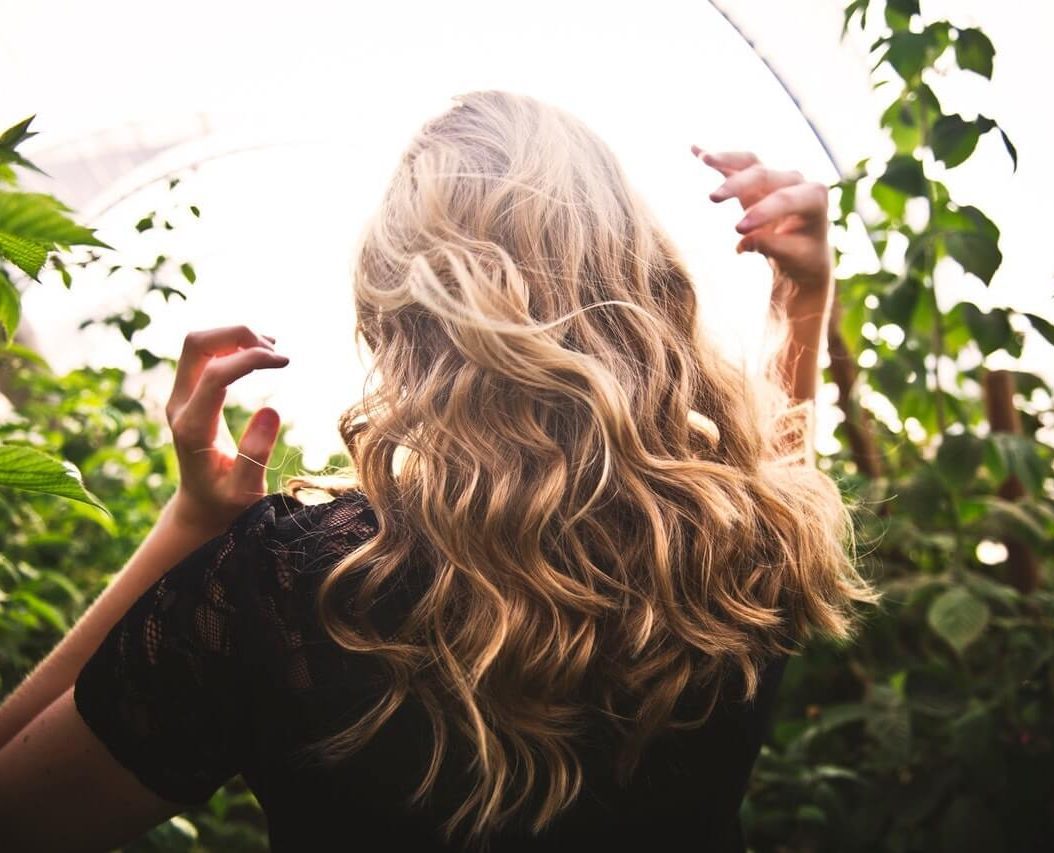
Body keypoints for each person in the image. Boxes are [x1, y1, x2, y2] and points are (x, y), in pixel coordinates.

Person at [0, 90, 878, 851]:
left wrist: (191, 526)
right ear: (637, 276)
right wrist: (801, 297)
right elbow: (775, 470)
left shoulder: (294, 587)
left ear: (396, 311)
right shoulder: (745, 546)